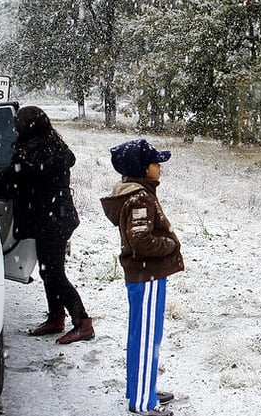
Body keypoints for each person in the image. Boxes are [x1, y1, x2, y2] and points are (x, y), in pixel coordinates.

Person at [0, 105, 94, 344]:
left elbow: (7, 181)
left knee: (53, 273)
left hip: (50, 220)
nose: (15, 131)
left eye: (17, 127)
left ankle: (82, 323)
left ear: (26, 129)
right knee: (48, 270)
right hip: (58, 217)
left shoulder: (30, 156)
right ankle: (55, 317)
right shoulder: (53, 147)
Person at [101, 139, 184, 416]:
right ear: (142, 168)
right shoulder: (139, 198)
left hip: (146, 276)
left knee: (143, 335)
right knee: (146, 338)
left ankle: (142, 388)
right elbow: (141, 242)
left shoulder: (140, 193)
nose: (159, 168)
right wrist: (170, 245)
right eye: (155, 163)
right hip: (146, 275)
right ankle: (142, 403)